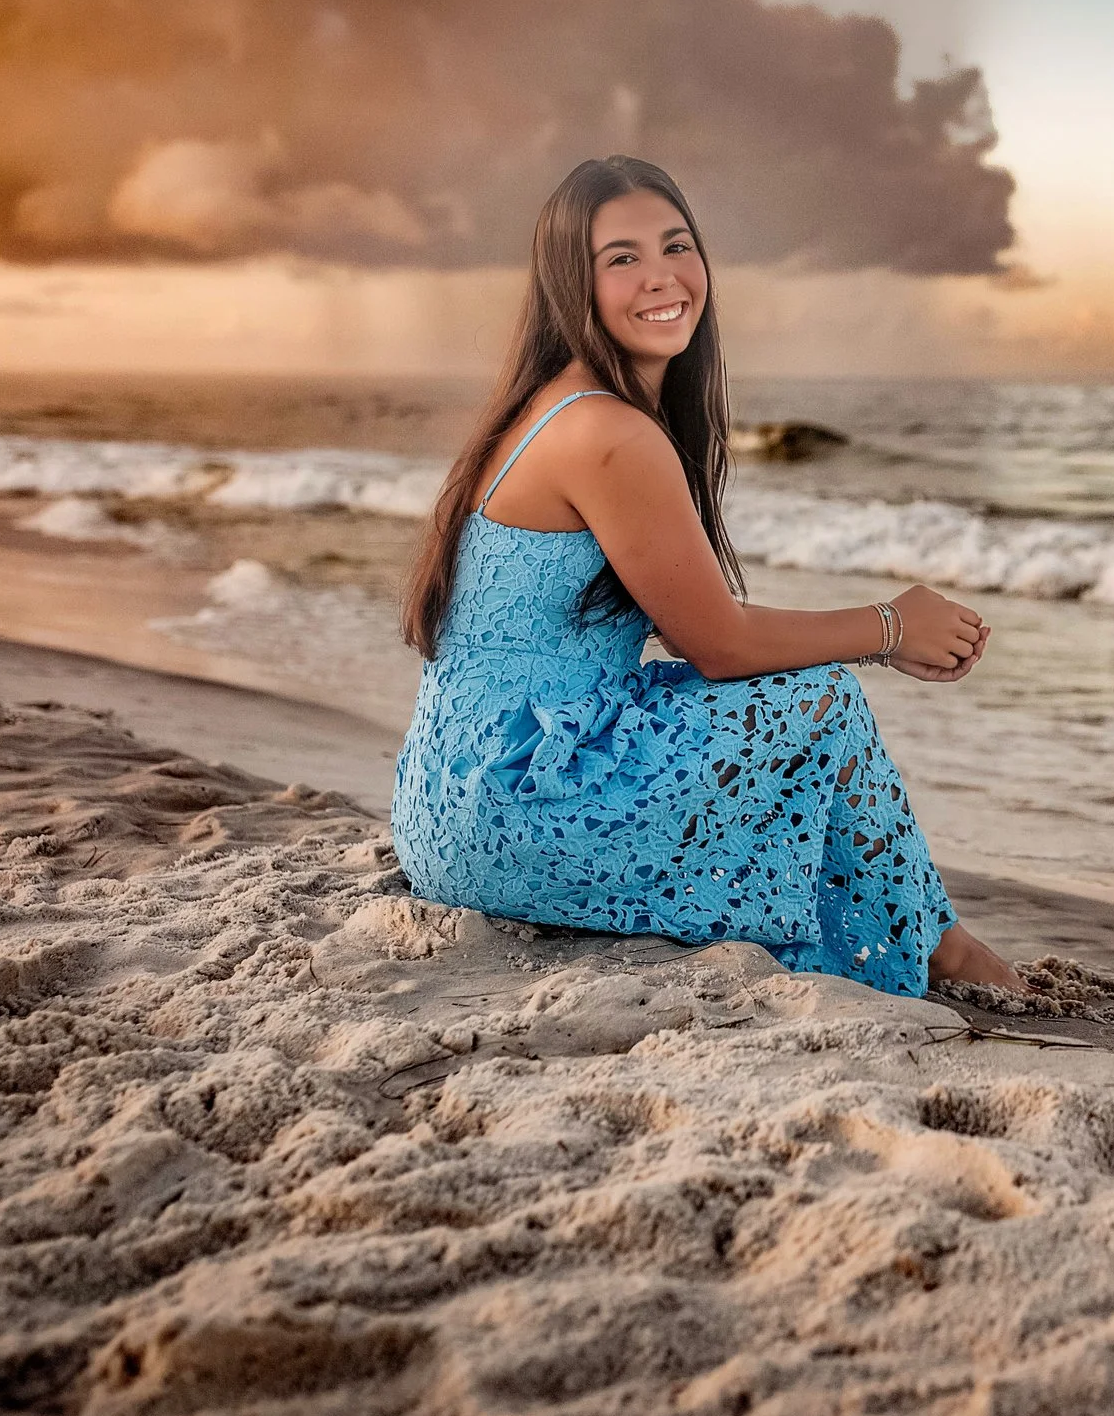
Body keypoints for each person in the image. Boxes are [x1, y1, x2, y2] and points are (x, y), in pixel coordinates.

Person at [392, 154, 1022, 997]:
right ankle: (938, 950)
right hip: (511, 814)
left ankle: (934, 937)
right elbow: (721, 643)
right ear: (568, 285)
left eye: (676, 245)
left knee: (778, 700)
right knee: (820, 701)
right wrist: (892, 625)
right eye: (621, 259)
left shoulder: (551, 403)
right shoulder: (609, 433)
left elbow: (689, 633)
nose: (662, 277)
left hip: (446, 799)